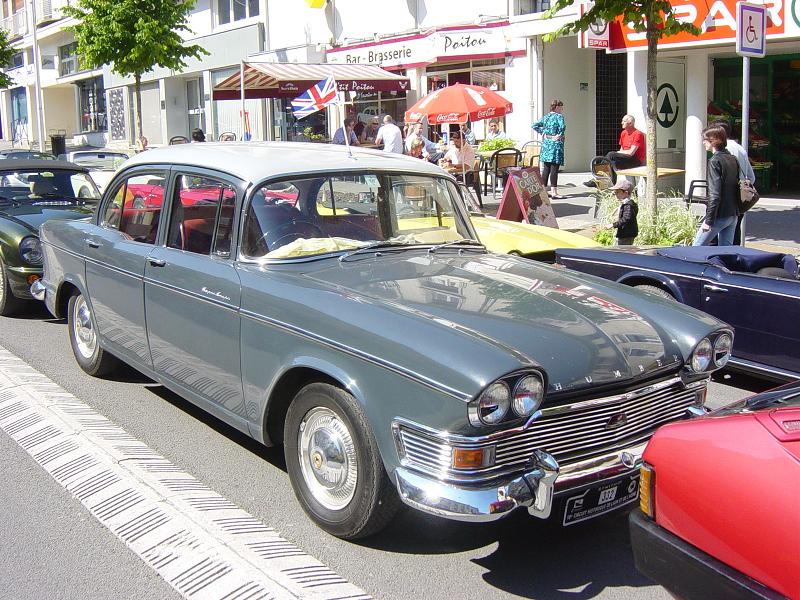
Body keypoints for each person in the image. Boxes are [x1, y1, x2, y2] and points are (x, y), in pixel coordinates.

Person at [693, 125, 740, 247]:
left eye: (705, 139)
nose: (703, 142)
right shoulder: (732, 159)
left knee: (694, 250)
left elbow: (715, 194)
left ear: (713, 141)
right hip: (733, 213)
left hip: (719, 215)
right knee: (726, 252)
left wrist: (708, 221)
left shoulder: (715, 161)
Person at [711, 119, 754, 245]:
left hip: (724, 202)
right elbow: (751, 176)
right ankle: (734, 261)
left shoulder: (723, 152)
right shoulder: (740, 149)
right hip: (738, 201)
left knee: (709, 240)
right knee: (733, 237)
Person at [587, 114, 645, 186]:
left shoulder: (638, 134)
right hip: (625, 158)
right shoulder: (623, 133)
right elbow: (622, 149)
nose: (621, 123)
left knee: (611, 155)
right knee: (612, 161)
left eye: (624, 121)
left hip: (635, 160)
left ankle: (598, 179)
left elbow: (631, 152)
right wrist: (619, 153)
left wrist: (617, 153)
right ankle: (610, 184)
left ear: (630, 123)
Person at [532, 99, 566, 199]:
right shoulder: (559, 116)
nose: (562, 109)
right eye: (560, 107)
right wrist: (558, 136)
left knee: (546, 168)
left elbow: (534, 125)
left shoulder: (546, 117)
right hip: (556, 145)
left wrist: (545, 133)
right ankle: (554, 192)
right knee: (554, 168)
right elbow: (562, 127)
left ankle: (542, 192)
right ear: (556, 107)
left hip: (546, 144)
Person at [443, 131, 481, 203]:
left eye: (457, 141)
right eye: (454, 142)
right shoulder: (454, 148)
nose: (455, 143)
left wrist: (453, 166)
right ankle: (448, 202)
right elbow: (446, 157)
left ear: (463, 140)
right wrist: (445, 160)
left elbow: (466, 166)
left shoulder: (469, 150)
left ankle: (458, 203)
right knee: (441, 180)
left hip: (467, 175)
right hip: (455, 172)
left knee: (451, 181)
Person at [607, 179, 638, 245]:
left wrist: (613, 225)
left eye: (617, 192)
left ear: (626, 193)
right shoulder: (626, 204)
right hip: (626, 233)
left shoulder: (628, 205)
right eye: (615, 192)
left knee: (623, 251)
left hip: (626, 234)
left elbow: (626, 218)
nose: (615, 194)